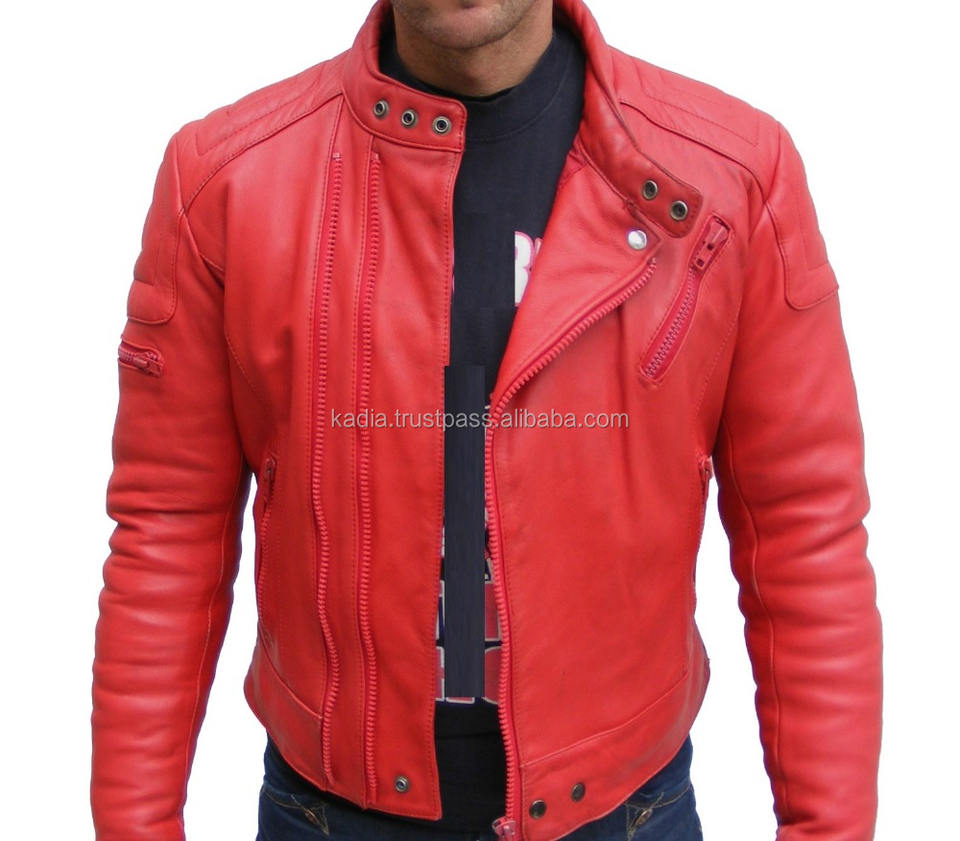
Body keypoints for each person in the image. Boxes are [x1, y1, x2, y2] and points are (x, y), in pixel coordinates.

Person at [90, 0, 884, 839]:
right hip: (328, 809)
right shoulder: (227, 182)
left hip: (624, 810)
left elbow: (803, 530)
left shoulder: (733, 175)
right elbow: (169, 528)